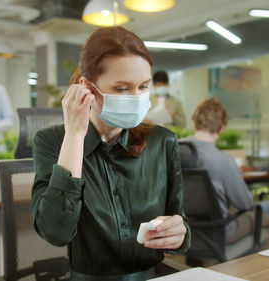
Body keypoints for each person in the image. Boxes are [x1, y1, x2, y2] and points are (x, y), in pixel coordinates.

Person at [31, 26, 190, 280]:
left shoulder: (163, 141)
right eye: (122, 89)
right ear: (87, 87)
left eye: (143, 86)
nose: (137, 98)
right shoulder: (52, 141)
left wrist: (179, 234)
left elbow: (178, 221)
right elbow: (55, 232)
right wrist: (74, 135)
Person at [180, 97, 269, 249]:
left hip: (184, 230)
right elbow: (245, 203)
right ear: (221, 128)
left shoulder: (175, 149)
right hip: (218, 232)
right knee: (268, 220)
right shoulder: (223, 160)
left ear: (194, 122)